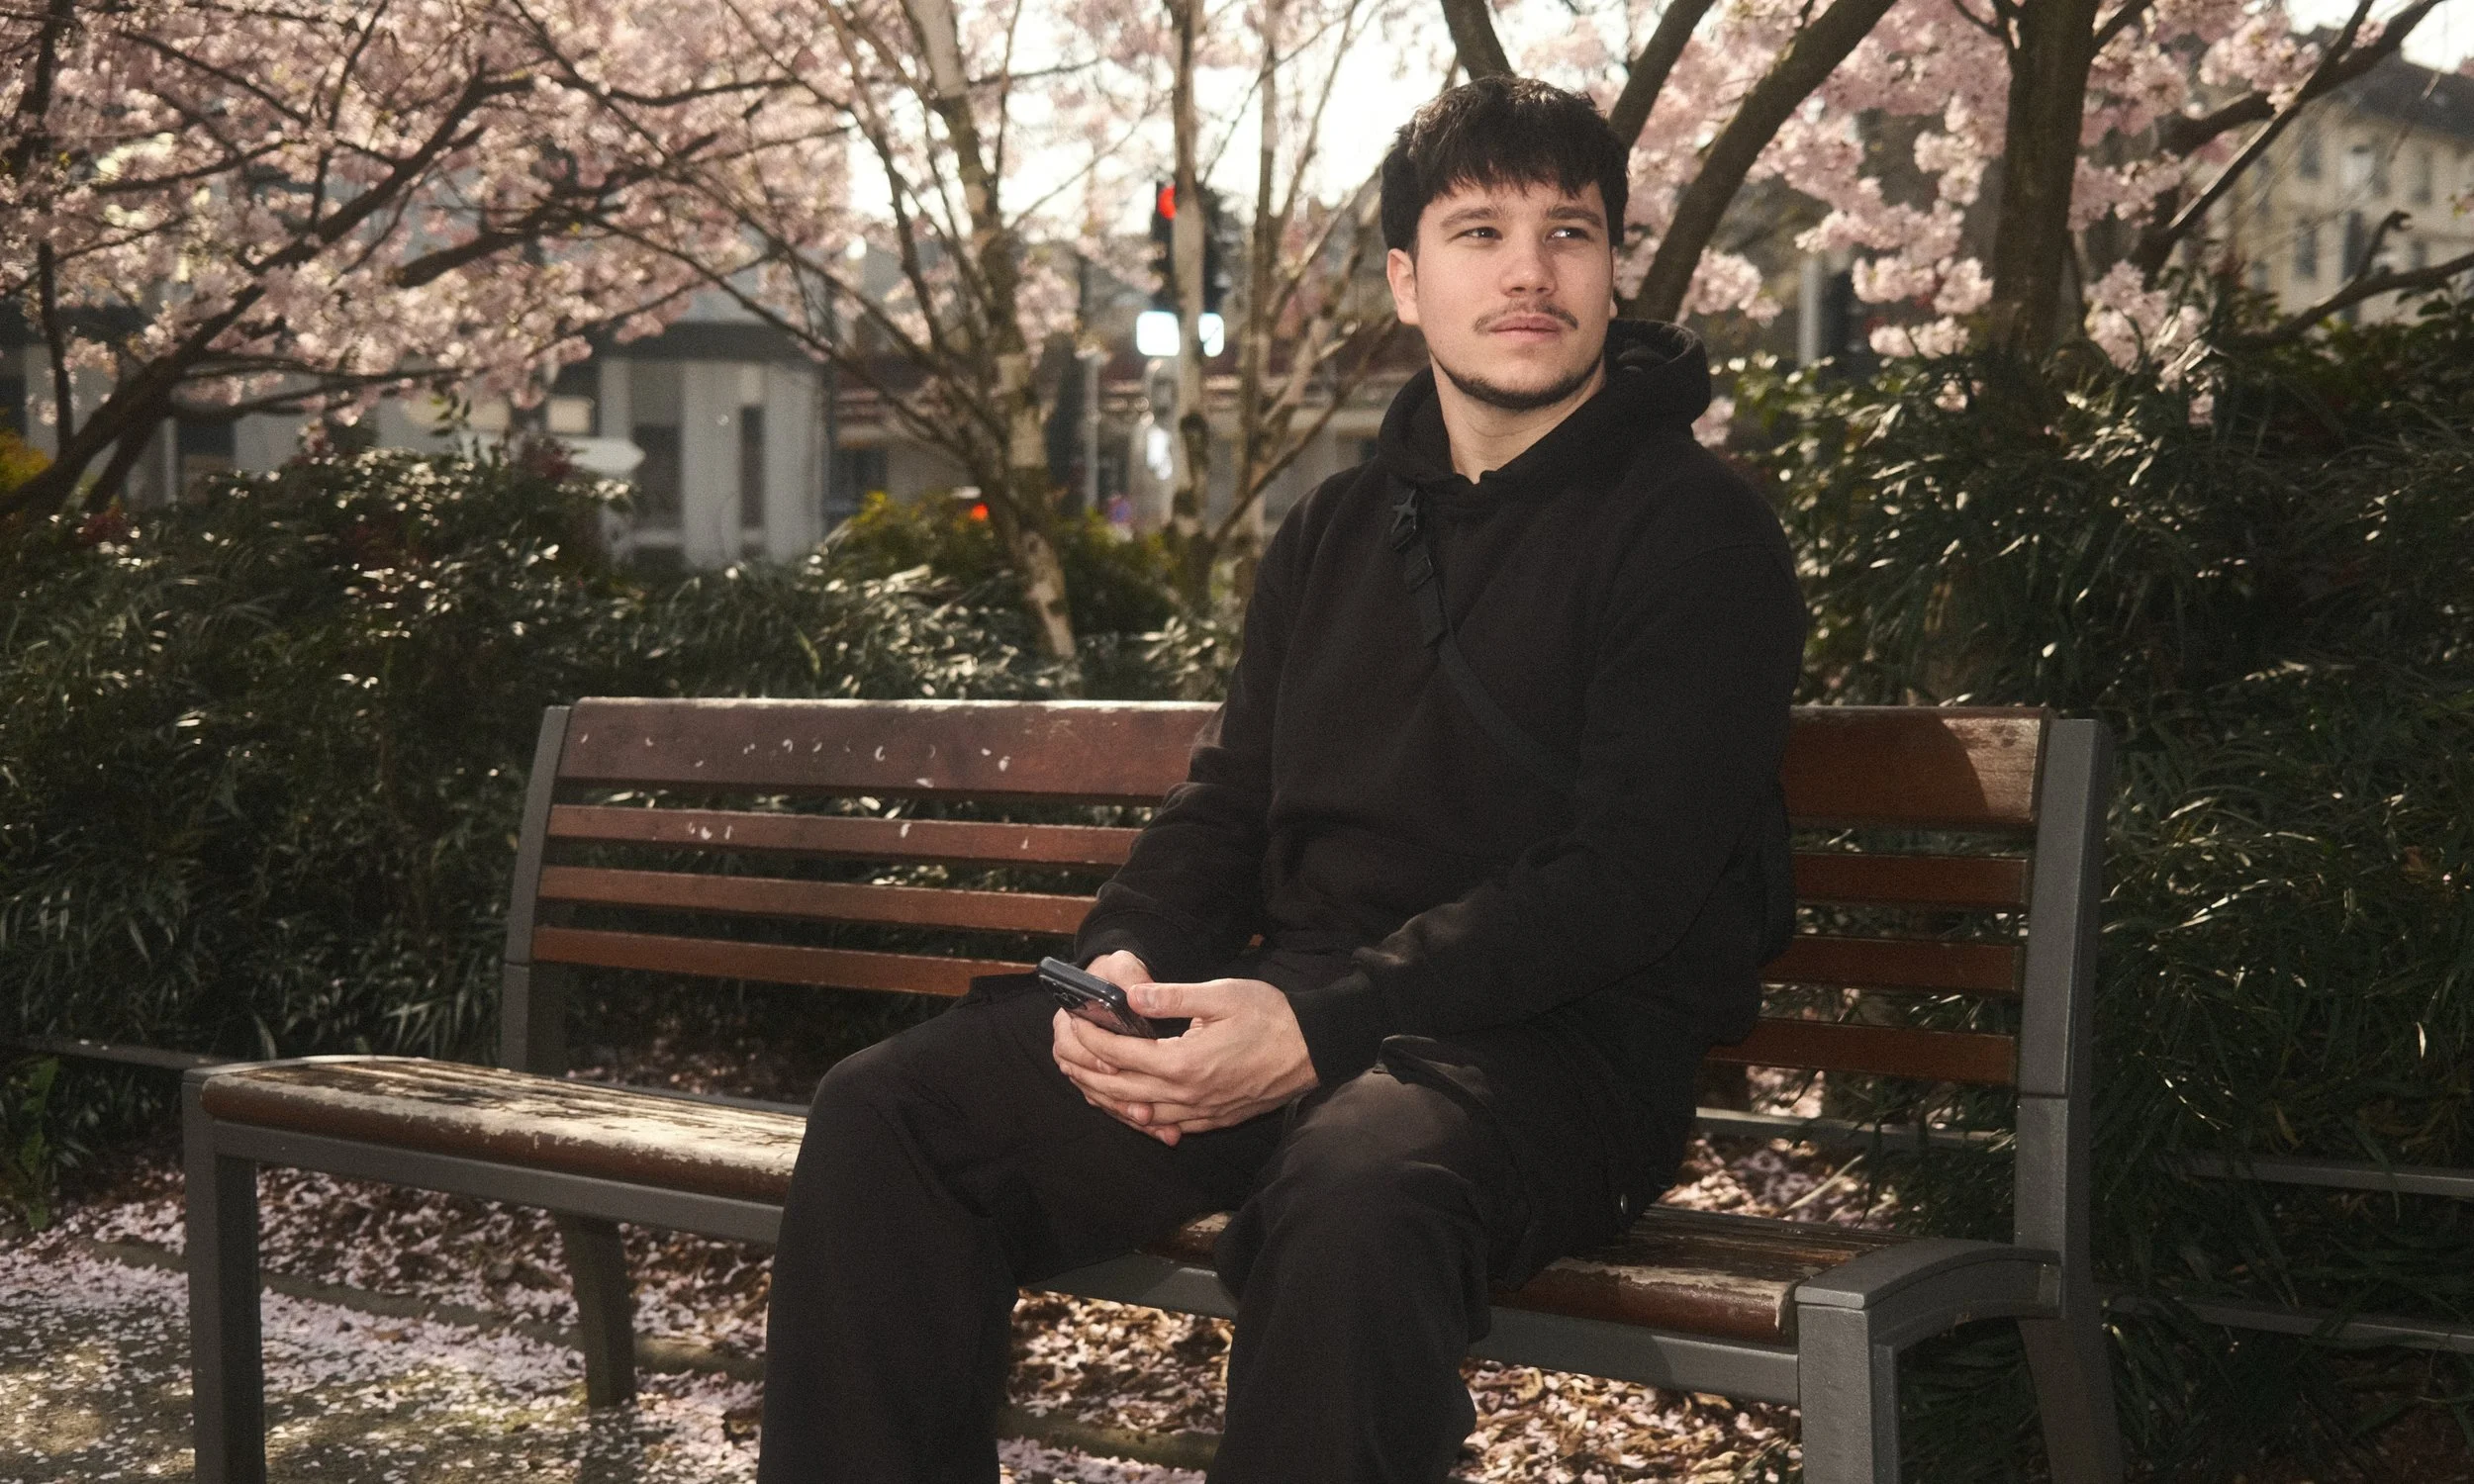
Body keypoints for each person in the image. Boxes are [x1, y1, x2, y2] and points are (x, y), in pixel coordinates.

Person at [757, 74, 1805, 1484]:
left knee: (1356, 1196)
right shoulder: (1335, 529)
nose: (1529, 271)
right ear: (1404, 278)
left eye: (1571, 232)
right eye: (1478, 232)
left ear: (1616, 268)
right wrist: (1114, 972)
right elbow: (1229, 806)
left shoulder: (1698, 534)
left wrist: (1322, 1024)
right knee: (895, 1117)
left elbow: (1629, 881)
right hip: (1297, 1018)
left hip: (1562, 1058)